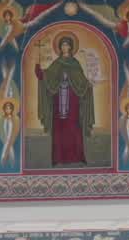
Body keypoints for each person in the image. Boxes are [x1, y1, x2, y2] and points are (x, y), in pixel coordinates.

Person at [34, 33, 94, 166]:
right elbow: (46, 77)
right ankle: (58, 158)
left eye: (67, 45)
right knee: (59, 131)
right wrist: (39, 69)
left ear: (71, 47)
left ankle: (77, 157)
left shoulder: (75, 63)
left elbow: (81, 81)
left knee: (73, 129)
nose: (64, 47)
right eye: (62, 45)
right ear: (59, 47)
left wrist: (87, 85)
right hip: (58, 101)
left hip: (72, 103)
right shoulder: (56, 63)